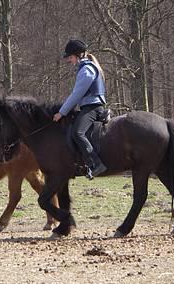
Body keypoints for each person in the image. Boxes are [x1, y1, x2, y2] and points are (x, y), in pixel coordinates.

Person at [53, 39, 107, 180]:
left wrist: (61, 112)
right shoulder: (84, 68)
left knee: (78, 132)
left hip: (93, 107)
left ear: (79, 55)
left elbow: (77, 94)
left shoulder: (87, 70)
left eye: (70, 57)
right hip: (89, 106)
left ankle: (95, 164)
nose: (68, 60)